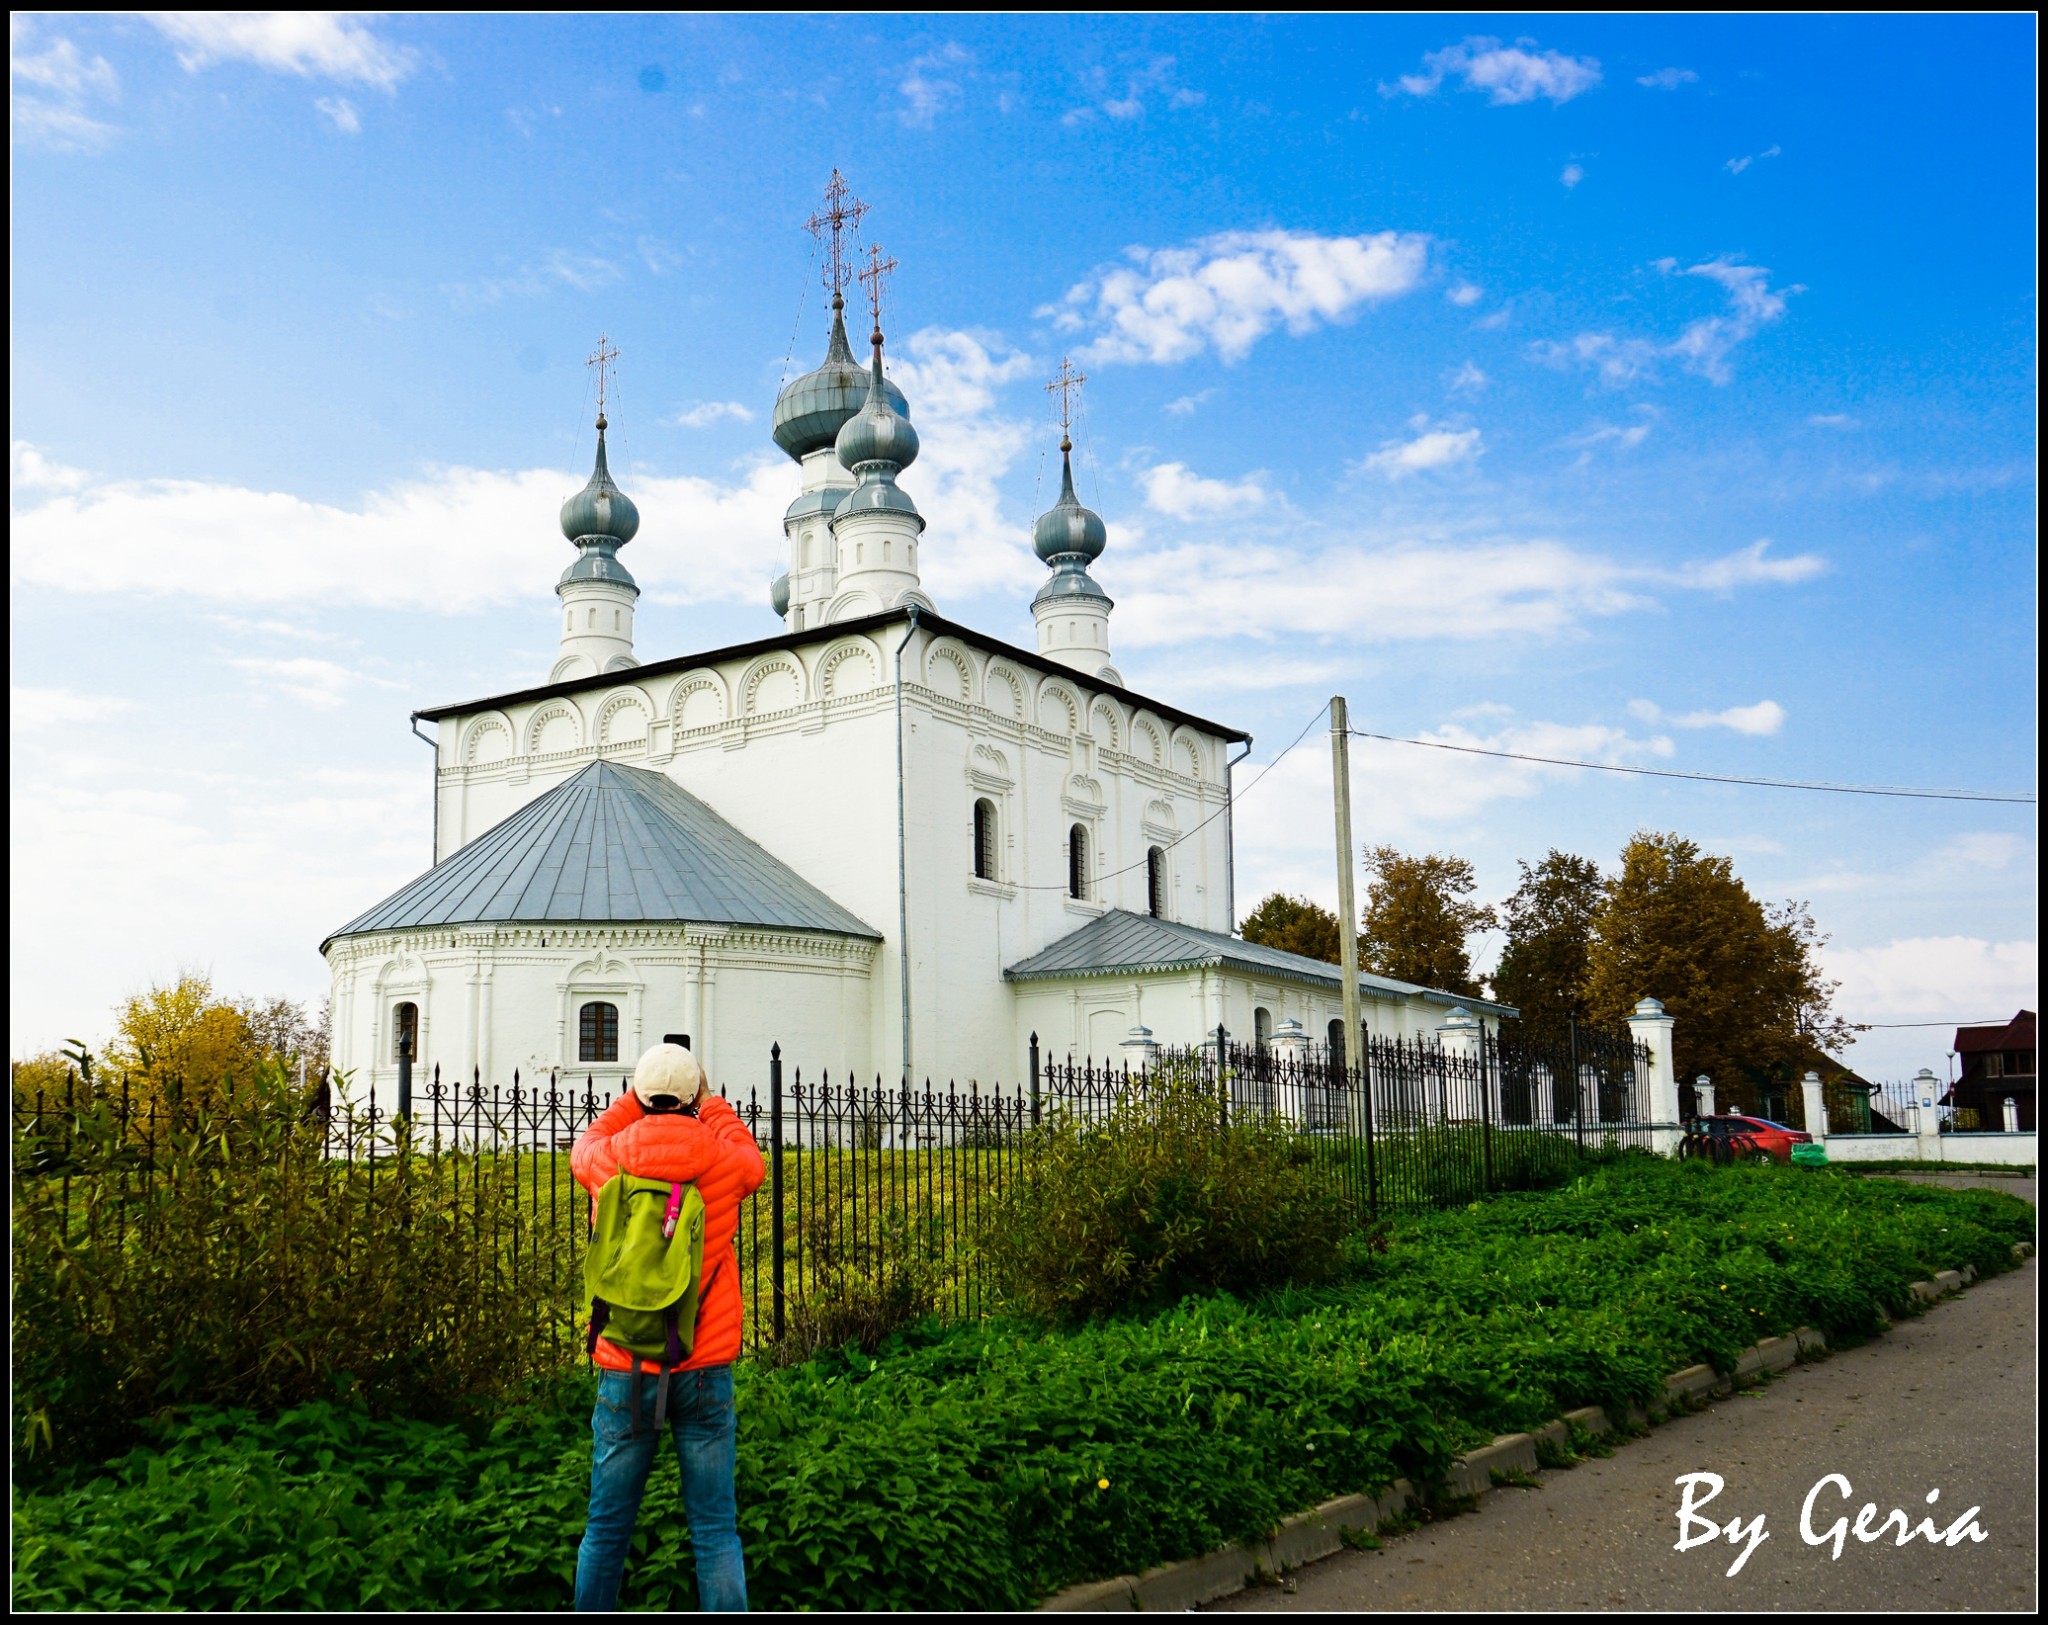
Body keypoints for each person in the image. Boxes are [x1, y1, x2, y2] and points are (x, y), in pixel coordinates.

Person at [570, 1042, 764, 1611]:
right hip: (702, 1363)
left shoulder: (608, 1160)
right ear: (691, 1097)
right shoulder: (723, 1162)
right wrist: (713, 1102)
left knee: (605, 1530)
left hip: (627, 1363)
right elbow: (751, 1160)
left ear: (641, 1094)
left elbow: (584, 1146)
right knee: (714, 1532)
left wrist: (632, 1099)